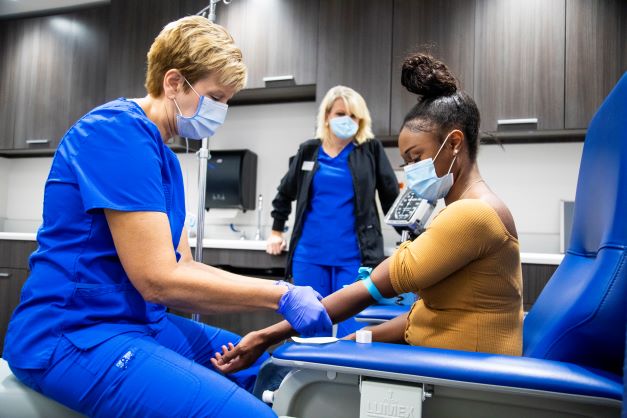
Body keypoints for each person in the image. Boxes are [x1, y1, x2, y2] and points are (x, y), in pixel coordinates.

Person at [2, 16, 332, 418]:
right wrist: (278, 296)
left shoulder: (166, 158)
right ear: (174, 82)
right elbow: (158, 279)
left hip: (141, 323)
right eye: (216, 97)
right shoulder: (115, 133)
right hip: (73, 334)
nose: (222, 111)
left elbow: (184, 267)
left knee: (269, 372)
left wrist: (283, 290)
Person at [212, 53, 524, 375]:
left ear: (454, 142)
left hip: (464, 379)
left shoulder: (471, 216)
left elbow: (372, 288)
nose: (412, 171)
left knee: (298, 374)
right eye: (407, 161)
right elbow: (426, 317)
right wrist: (350, 341)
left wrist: (264, 337)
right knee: (317, 357)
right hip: (446, 358)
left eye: (417, 157)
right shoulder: (465, 210)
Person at [265, 85, 400, 337]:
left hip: (355, 260)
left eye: (353, 116)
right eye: (340, 114)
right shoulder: (309, 150)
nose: (346, 121)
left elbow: (391, 197)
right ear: (326, 116)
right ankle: (303, 376)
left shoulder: (370, 150)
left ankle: (346, 377)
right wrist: (276, 231)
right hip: (309, 256)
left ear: (361, 121)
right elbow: (285, 193)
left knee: (354, 331)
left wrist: (412, 236)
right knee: (308, 329)